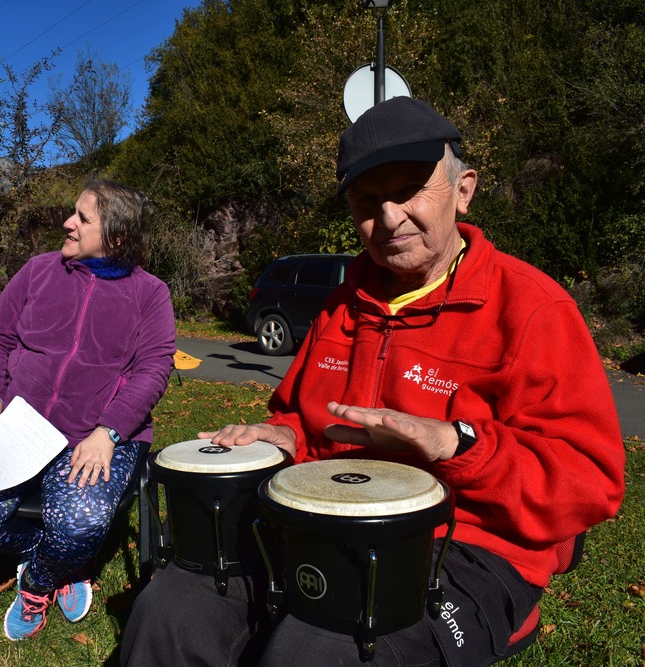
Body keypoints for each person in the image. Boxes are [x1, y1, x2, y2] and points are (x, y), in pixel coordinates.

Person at [121, 97, 626, 666]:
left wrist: (456, 446)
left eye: (410, 189)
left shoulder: (533, 309)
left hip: (465, 548)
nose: (388, 218)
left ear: (464, 189)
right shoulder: (342, 306)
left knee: (318, 651)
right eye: (367, 201)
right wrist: (283, 437)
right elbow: (302, 419)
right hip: (324, 527)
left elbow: (591, 480)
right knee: (170, 608)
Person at [0, 179, 176, 641]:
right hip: (19, 429)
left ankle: (38, 580)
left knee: (81, 521)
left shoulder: (150, 294)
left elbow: (153, 370)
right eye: (74, 212)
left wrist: (109, 432)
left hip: (91, 436)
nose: (67, 223)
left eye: (83, 219)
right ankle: (60, 559)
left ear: (118, 237)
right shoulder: (37, 271)